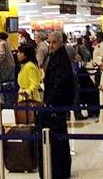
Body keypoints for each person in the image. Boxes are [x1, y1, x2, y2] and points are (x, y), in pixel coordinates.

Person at [40, 32, 75, 179]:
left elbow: (59, 83)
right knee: (59, 136)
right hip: (56, 103)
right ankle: (60, 169)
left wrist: (50, 102)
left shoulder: (60, 59)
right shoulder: (56, 57)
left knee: (58, 136)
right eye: (50, 42)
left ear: (60, 42)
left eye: (54, 42)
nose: (51, 45)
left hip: (56, 104)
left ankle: (59, 170)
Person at [0, 32, 16, 107]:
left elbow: (1, 55)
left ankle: (8, 105)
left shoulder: (1, 44)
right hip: (11, 66)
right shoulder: (7, 43)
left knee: (5, 84)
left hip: (5, 67)